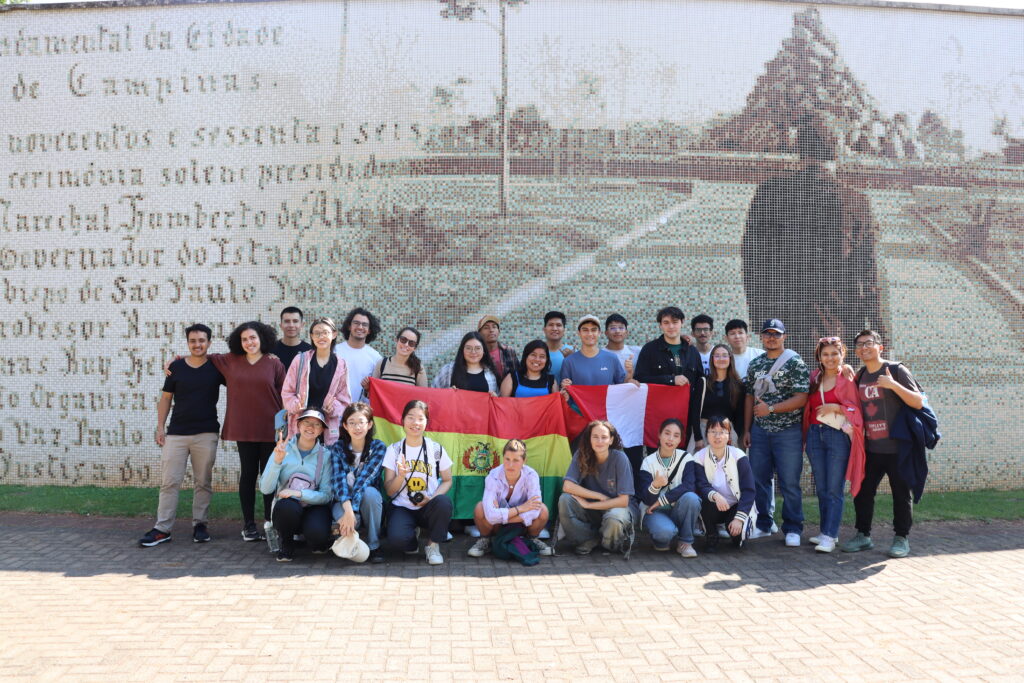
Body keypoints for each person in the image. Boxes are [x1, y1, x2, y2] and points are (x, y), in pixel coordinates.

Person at [742, 113, 886, 361]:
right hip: (839, 326)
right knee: (833, 397)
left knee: (789, 395)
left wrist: (761, 319)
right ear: (837, 150)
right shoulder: (855, 202)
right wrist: (879, 333)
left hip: (786, 321)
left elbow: (753, 262)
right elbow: (870, 276)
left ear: (798, 149)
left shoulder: (770, 193)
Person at [842, 329, 925, 559]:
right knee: (863, 492)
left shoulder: (896, 370)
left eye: (869, 343)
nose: (864, 347)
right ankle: (863, 535)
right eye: (859, 344)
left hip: (898, 447)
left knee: (901, 493)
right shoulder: (859, 376)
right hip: (870, 449)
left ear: (880, 347)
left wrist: (893, 385)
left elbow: (918, 402)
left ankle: (901, 538)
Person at [139, 324, 224, 547]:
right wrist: (160, 427)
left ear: (209, 342)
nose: (197, 344)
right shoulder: (176, 367)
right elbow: (166, 398)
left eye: (202, 340)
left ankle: (200, 525)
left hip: (206, 433)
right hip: (176, 434)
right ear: (188, 343)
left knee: (203, 482)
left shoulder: (217, 367)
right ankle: (162, 528)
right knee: (169, 482)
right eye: (193, 341)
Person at [207, 321, 286, 542]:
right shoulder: (229, 361)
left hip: (270, 429)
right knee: (248, 475)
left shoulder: (274, 364)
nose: (249, 342)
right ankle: (249, 526)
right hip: (244, 428)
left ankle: (271, 523)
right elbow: (202, 356)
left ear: (262, 338)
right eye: (244, 339)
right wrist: (175, 360)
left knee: (269, 478)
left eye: (252, 338)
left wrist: (284, 431)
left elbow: (284, 397)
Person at [742, 319, 809, 547]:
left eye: (776, 334)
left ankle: (793, 528)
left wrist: (770, 409)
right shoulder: (755, 364)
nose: (771, 337)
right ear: (761, 337)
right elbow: (749, 397)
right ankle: (763, 523)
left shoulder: (794, 362)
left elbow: (801, 398)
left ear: (784, 337)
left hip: (787, 431)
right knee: (760, 480)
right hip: (760, 432)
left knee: (789, 482)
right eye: (767, 334)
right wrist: (747, 429)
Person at [802, 337, 865, 553]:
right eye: (825, 354)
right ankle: (825, 531)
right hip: (814, 435)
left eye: (834, 354)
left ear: (842, 354)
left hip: (836, 436)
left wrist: (836, 407)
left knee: (834, 488)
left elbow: (857, 409)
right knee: (821, 487)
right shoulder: (814, 378)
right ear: (819, 357)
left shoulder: (847, 378)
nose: (830, 358)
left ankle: (830, 535)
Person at [382, 400, 454, 565]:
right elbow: (389, 491)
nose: (415, 423)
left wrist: (433, 497)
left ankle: (433, 545)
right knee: (398, 540)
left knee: (443, 502)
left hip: (427, 506)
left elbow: (447, 480)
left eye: (421, 418)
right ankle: (411, 538)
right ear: (402, 420)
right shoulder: (394, 450)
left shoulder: (436, 448)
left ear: (426, 422)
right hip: (403, 507)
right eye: (410, 417)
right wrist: (400, 476)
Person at [259, 408, 333, 562]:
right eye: (306, 422)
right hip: (288, 508)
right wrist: (277, 462)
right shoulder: (281, 449)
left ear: (321, 431)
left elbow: (327, 495)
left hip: (313, 507)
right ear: (298, 425)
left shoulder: (325, 456)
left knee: (318, 535)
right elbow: (265, 489)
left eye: (316, 424)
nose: (311, 427)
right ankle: (287, 542)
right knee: (286, 507)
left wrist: (299, 494)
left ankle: (312, 538)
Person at [558, 420, 635, 556]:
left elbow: (623, 501)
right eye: (595, 436)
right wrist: (597, 496)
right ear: (589, 439)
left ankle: (608, 543)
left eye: (604, 437)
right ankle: (588, 539)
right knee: (565, 500)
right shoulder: (582, 454)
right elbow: (567, 486)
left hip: (616, 507)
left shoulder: (620, 458)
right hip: (594, 506)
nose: (599, 441)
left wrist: (588, 505)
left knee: (614, 518)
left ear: (611, 440)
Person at [467, 439, 553, 558]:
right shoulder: (493, 476)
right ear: (503, 458)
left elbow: (535, 510)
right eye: (507, 459)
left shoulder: (531, 475)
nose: (510, 465)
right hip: (499, 526)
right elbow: (489, 514)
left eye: (516, 460)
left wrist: (501, 516)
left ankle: (531, 539)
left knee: (543, 510)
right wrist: (521, 508)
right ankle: (486, 540)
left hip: (522, 526)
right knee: (480, 508)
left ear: (524, 461)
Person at [330, 402, 387, 564]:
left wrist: (352, 513)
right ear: (345, 426)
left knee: (370, 493)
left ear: (369, 424)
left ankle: (374, 545)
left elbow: (364, 481)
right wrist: (348, 513)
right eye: (352, 423)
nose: (357, 427)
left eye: (361, 422)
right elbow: (338, 481)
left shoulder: (378, 447)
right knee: (343, 523)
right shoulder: (338, 448)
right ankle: (350, 542)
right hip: (342, 502)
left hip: (368, 501)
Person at [636, 419, 702, 557]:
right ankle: (661, 540)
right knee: (664, 533)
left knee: (692, 498)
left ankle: (686, 542)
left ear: (680, 440)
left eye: (676, 435)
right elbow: (647, 499)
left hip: (677, 509)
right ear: (659, 435)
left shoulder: (686, 458)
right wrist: (655, 485)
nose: (671, 439)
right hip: (655, 512)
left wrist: (662, 500)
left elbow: (689, 486)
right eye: (667, 433)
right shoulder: (648, 462)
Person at [281, 317, 351, 446]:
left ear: (334, 334)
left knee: (322, 463)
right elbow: (287, 392)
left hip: (326, 428)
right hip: (301, 426)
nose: (321, 336)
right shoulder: (300, 360)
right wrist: (296, 404)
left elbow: (345, 400)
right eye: (317, 333)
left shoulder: (341, 364)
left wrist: (333, 407)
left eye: (325, 332)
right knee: (300, 463)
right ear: (312, 336)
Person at [693, 416, 756, 553]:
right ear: (706, 435)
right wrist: (715, 495)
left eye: (722, 432)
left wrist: (739, 518)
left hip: (736, 506)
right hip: (713, 504)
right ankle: (711, 535)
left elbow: (749, 490)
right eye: (713, 431)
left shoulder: (738, 455)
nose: (717, 436)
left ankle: (736, 531)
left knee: (737, 536)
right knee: (703, 500)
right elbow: (700, 484)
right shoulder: (699, 457)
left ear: (729, 435)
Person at [690, 344, 746, 451]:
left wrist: (735, 436)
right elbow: (695, 412)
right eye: (717, 356)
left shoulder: (738, 385)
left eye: (725, 355)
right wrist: (698, 438)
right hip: (703, 432)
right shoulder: (703, 382)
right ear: (712, 359)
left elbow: (739, 416)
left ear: (730, 358)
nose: (721, 359)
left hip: (727, 434)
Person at [634, 306, 703, 388]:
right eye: (666, 323)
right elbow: (639, 379)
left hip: (688, 400)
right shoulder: (649, 349)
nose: (671, 326)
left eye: (675, 322)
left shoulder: (692, 351)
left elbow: (700, 381)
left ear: (682, 322)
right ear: (660, 325)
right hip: (659, 400)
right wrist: (671, 380)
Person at [559, 315, 627, 389]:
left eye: (593, 330)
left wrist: (630, 373)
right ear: (579, 333)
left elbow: (622, 387)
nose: (590, 334)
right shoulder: (568, 361)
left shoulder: (612, 358)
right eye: (585, 330)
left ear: (599, 333)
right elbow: (565, 392)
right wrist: (564, 386)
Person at [335, 307, 383, 403]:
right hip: (334, 412)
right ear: (349, 326)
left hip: (361, 414)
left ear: (369, 330)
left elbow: (377, 390)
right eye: (356, 323)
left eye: (364, 325)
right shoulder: (334, 351)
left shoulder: (376, 357)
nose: (360, 327)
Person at [432, 331, 499, 394]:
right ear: (462, 350)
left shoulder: (490, 373)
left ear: (484, 351)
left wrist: (494, 398)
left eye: (477, 348)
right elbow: (434, 392)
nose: (473, 352)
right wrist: (447, 393)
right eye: (468, 348)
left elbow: (497, 398)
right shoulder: (448, 370)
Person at [368, 327, 428, 394]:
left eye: (411, 343)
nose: (406, 344)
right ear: (396, 340)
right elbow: (372, 393)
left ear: (415, 348)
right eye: (403, 339)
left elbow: (423, 396)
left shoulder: (418, 368)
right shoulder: (382, 364)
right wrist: (367, 387)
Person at [478, 315, 518, 381]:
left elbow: (517, 374)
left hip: (508, 390)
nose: (491, 330)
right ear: (479, 333)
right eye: (486, 327)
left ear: (499, 331)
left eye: (494, 327)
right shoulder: (477, 353)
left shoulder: (509, 351)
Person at [273, 306, 312, 372]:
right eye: (287, 321)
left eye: (295, 321)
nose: (291, 325)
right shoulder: (270, 350)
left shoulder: (309, 351)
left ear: (302, 325)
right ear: (281, 325)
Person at [604, 313, 641, 381]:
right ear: (606, 333)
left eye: (621, 328)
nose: (617, 331)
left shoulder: (638, 352)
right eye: (612, 328)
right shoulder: (600, 355)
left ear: (626, 332)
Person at [542, 311, 574, 379]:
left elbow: (579, 377)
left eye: (558, 325)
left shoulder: (571, 352)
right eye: (551, 325)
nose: (554, 329)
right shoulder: (537, 351)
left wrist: (572, 361)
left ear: (564, 330)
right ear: (544, 329)